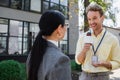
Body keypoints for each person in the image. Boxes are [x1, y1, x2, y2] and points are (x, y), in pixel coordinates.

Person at [75, 2, 120, 80]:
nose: (91, 22)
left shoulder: (113, 39)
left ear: (102, 18)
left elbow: (118, 62)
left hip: (103, 76)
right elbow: (78, 61)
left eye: (94, 18)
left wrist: (104, 63)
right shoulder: (82, 37)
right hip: (85, 76)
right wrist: (84, 51)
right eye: (89, 19)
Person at [26, 10, 72, 80]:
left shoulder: (32, 54)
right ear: (59, 29)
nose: (66, 29)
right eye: (65, 25)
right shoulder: (61, 60)